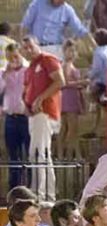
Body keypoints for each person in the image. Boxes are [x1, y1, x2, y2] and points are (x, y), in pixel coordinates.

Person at [21, 36, 64, 202]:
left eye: (31, 46)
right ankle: (39, 191)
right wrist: (26, 103)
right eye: (25, 48)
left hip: (45, 112)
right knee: (35, 154)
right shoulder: (30, 67)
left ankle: (44, 194)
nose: (28, 50)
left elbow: (60, 81)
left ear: (37, 45)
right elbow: (26, 90)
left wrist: (40, 98)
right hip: (34, 114)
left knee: (41, 153)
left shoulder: (48, 60)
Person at [0, 43, 30, 189]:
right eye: (10, 57)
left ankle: (30, 186)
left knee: (30, 154)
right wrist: (5, 75)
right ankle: (15, 188)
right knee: (13, 155)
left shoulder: (28, 70)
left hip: (26, 117)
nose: (13, 60)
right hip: (10, 118)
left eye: (15, 56)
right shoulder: (3, 73)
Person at [21, 0, 94, 59]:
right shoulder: (37, 4)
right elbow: (25, 26)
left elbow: (81, 30)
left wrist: (96, 47)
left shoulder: (67, 10)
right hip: (37, 48)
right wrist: (24, 46)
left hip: (56, 49)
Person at [57, 39, 87, 159]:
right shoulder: (66, 65)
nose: (72, 53)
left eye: (74, 51)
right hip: (68, 98)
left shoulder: (70, 65)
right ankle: (70, 154)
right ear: (64, 52)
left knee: (66, 128)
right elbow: (65, 83)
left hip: (71, 98)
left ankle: (66, 154)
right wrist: (82, 82)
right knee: (71, 129)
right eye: (70, 51)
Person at [87, 28, 107, 138]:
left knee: (96, 104)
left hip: (102, 83)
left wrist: (88, 76)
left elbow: (96, 69)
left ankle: (97, 128)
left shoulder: (98, 52)